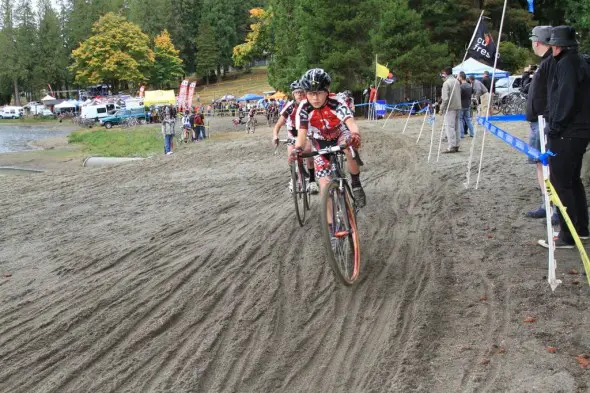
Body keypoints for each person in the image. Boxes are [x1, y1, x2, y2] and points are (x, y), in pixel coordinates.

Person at [538, 26, 590, 248]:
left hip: (569, 132)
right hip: (578, 131)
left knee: (561, 183)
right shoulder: (578, 61)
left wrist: (556, 126)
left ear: (557, 46)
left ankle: (569, 235)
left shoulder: (567, 64)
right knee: (573, 181)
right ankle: (581, 229)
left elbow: (565, 98)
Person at [295, 68, 366, 207]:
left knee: (348, 148)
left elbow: (350, 122)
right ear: (305, 94)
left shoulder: (337, 102)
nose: (315, 98)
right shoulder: (303, 108)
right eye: (311, 93)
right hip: (319, 140)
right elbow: (302, 133)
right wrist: (297, 149)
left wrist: (355, 134)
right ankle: (331, 226)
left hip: (339, 134)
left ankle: (356, 184)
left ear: (327, 90)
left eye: (319, 92)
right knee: (324, 188)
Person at [524, 26, 558, 221]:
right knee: (540, 164)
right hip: (539, 121)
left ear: (537, 42)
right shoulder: (546, 63)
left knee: (546, 165)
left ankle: (553, 207)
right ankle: (547, 204)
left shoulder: (550, 64)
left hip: (544, 121)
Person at [272, 80, 319, 194]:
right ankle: (293, 178)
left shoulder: (310, 105)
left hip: (306, 135)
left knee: (308, 153)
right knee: (290, 156)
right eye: (296, 92)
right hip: (292, 136)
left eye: (301, 92)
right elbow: (278, 124)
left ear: (305, 93)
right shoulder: (290, 107)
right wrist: (275, 135)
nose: (299, 94)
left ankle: (312, 181)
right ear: (293, 94)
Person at [440, 67, 462, 153]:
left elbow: (445, 98)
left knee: (450, 127)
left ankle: (452, 146)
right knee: (456, 127)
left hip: (450, 107)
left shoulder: (446, 83)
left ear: (445, 73)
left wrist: (441, 109)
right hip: (457, 106)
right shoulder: (457, 81)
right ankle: (456, 145)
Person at [458, 72, 475, 138]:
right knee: (468, 119)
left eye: (459, 77)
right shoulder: (469, 86)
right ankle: (472, 133)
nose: (458, 78)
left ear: (461, 77)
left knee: (460, 120)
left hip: (461, 105)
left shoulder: (461, 86)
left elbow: (459, 96)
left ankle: (461, 134)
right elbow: (472, 93)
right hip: (468, 104)